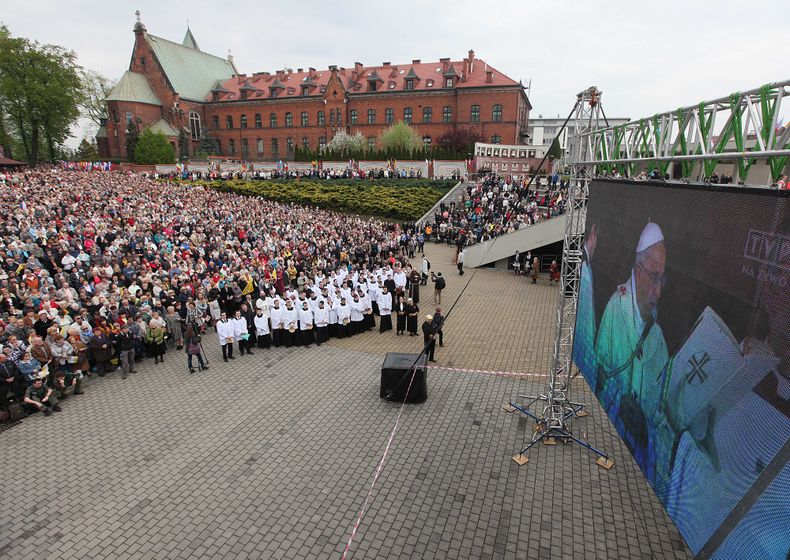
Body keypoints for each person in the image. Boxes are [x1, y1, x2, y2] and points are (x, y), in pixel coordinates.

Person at [595, 222, 669, 487]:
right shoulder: (616, 309)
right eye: (654, 277)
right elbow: (599, 375)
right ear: (638, 271)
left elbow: (660, 414)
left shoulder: (658, 342)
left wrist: (646, 433)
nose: (658, 292)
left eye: (662, 279)